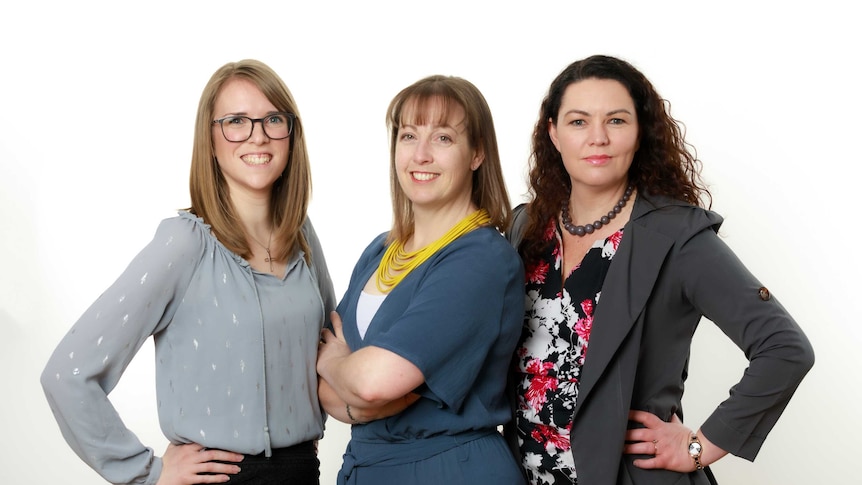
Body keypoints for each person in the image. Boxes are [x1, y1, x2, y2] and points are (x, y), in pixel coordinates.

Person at [504, 54, 814, 485]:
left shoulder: (677, 236)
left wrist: (700, 447)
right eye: (578, 122)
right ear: (553, 133)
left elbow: (785, 348)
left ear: (640, 132)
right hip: (523, 473)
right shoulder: (525, 226)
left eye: (616, 120)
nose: (598, 138)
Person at [41, 59, 335, 485]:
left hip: (302, 472)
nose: (258, 135)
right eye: (236, 121)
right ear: (210, 140)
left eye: (273, 119)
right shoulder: (185, 242)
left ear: (292, 133)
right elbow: (67, 374)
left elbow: (331, 351)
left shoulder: (302, 236)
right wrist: (146, 473)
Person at [315, 75, 526, 485]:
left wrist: (340, 365)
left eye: (443, 138)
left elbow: (373, 382)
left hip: (450, 470)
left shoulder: (482, 259)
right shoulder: (381, 250)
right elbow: (326, 391)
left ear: (477, 153)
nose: (421, 154)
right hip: (367, 467)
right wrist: (353, 388)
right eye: (409, 135)